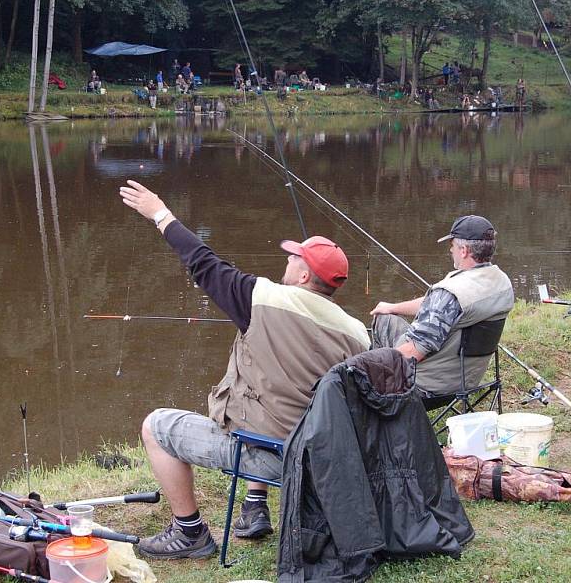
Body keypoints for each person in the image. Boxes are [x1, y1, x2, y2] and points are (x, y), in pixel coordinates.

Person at [117, 179, 370, 560]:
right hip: (323, 459)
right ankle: (255, 506)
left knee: (156, 427)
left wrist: (159, 213)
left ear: (303, 276)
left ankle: (189, 534)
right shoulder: (358, 334)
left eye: (294, 258)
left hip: (275, 454)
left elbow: (203, 263)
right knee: (265, 395)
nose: (287, 260)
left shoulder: (261, 299)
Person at [370, 215, 514, 398]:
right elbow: (438, 307)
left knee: (381, 324)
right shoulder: (502, 283)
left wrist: (367, 367)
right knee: (387, 315)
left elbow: (411, 353)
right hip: (466, 380)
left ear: (463, 250)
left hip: (425, 386)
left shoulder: (449, 294)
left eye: (452, 245)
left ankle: (380, 398)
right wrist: (393, 307)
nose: (450, 249)